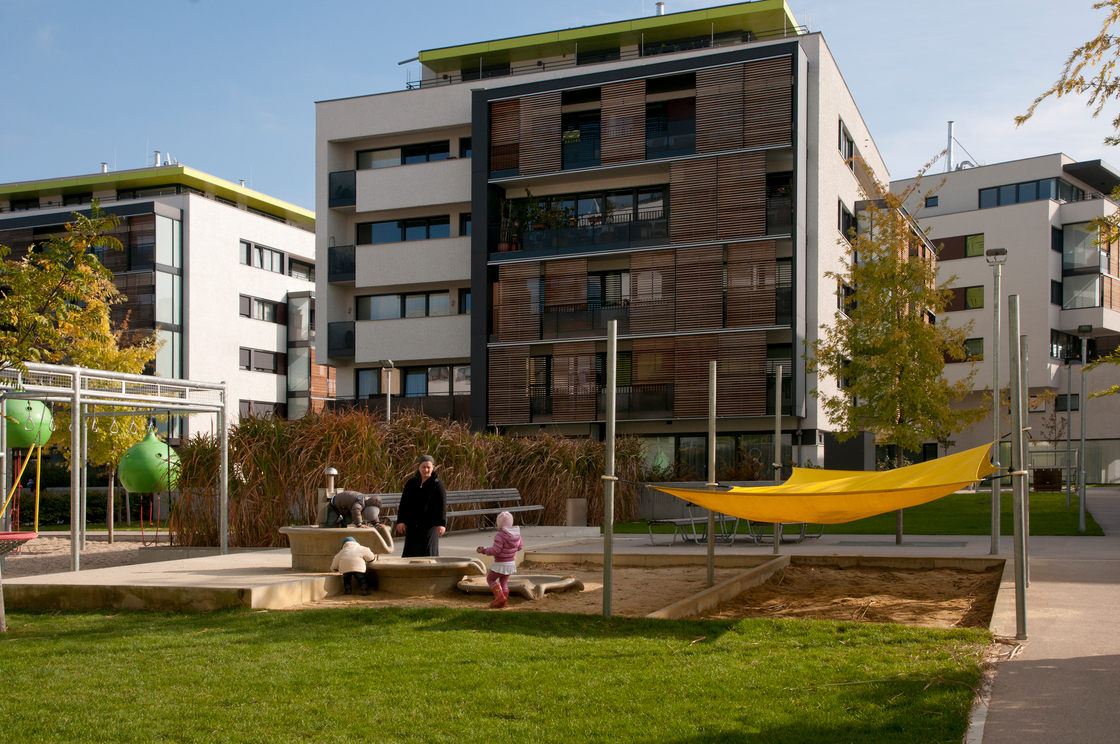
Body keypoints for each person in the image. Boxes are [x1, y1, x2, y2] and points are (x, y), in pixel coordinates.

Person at [394, 455, 446, 557]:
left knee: (428, 553)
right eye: (423, 467)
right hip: (413, 526)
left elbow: (442, 504)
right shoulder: (411, 483)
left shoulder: (437, 484)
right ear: (419, 467)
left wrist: (442, 524)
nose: (426, 470)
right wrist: (401, 520)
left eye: (428, 467)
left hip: (429, 526)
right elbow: (404, 503)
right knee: (411, 553)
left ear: (433, 468)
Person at [476, 511, 523, 609]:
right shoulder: (517, 534)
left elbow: (495, 551)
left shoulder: (500, 536)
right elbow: (519, 547)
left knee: (490, 579)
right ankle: (503, 602)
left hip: (501, 562)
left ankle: (499, 597)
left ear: (499, 524)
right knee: (504, 583)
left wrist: (484, 550)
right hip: (511, 563)